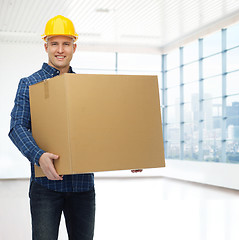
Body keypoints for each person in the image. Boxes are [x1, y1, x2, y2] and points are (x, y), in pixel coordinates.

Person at [9, 15, 142, 240]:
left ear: (74, 47)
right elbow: (17, 127)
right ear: (46, 46)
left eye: (66, 44)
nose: (60, 50)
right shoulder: (29, 83)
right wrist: (38, 156)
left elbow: (101, 131)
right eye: (54, 43)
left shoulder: (85, 88)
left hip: (82, 187)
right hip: (45, 186)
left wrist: (128, 156)